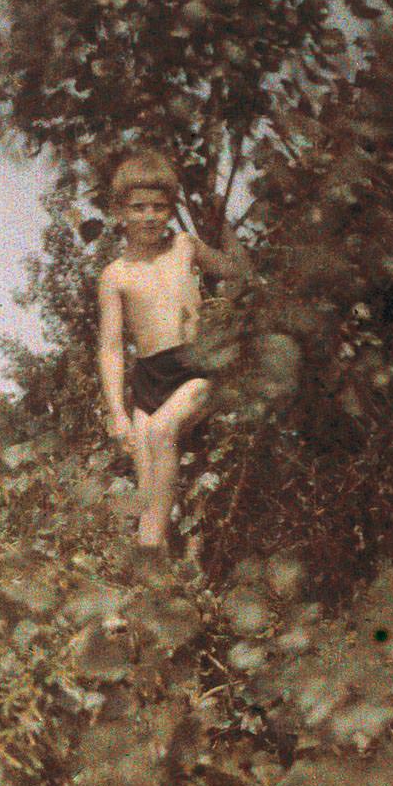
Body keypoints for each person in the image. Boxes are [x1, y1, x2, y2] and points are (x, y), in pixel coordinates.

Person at [96, 149, 243, 552]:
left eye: (159, 207)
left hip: (194, 367)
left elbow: (236, 270)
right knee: (150, 491)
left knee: (163, 432)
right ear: (120, 211)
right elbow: (110, 349)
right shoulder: (115, 275)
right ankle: (160, 586)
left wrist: (221, 219)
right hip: (148, 379)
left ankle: (144, 559)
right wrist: (117, 413)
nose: (149, 216)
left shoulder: (184, 246)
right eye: (138, 207)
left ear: (171, 209)